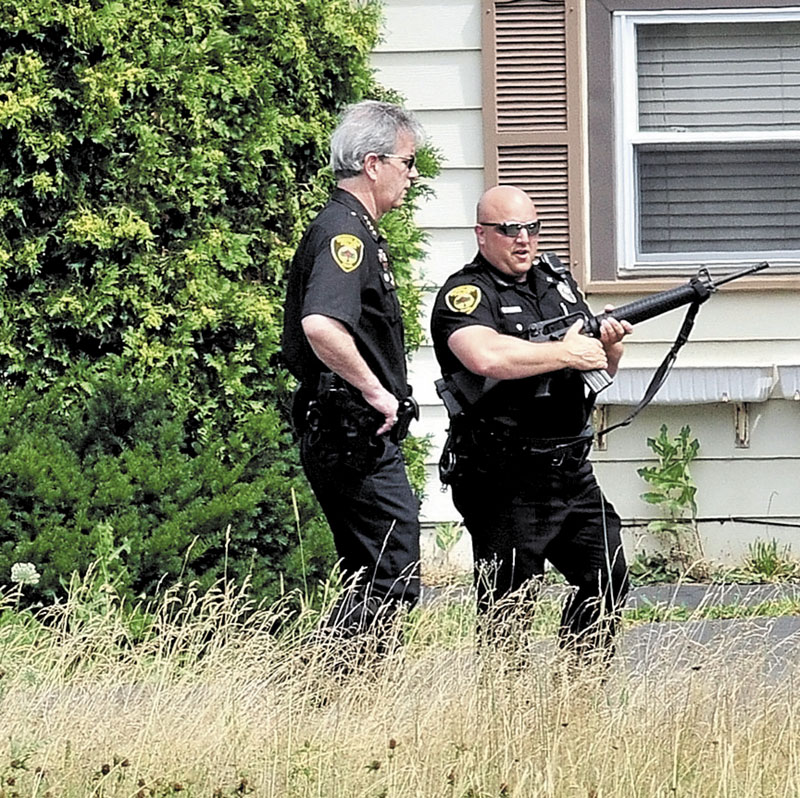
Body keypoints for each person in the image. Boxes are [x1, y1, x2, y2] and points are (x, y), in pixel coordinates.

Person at [430, 184, 632, 667]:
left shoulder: (556, 284)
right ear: (482, 234)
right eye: (509, 229)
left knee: (607, 577)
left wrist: (609, 348)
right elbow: (484, 356)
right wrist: (564, 352)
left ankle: (577, 685)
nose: (523, 239)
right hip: (505, 474)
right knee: (509, 607)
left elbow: (596, 368)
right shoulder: (467, 293)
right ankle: (508, 705)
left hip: (570, 470)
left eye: (532, 228)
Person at [282, 100, 426, 640]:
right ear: (373, 164)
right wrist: (375, 392)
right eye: (407, 162)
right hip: (350, 431)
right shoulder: (345, 235)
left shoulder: (353, 228)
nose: (413, 175)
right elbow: (321, 324)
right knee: (392, 568)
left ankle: (343, 682)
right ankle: (337, 680)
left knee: (371, 571)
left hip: (349, 430)